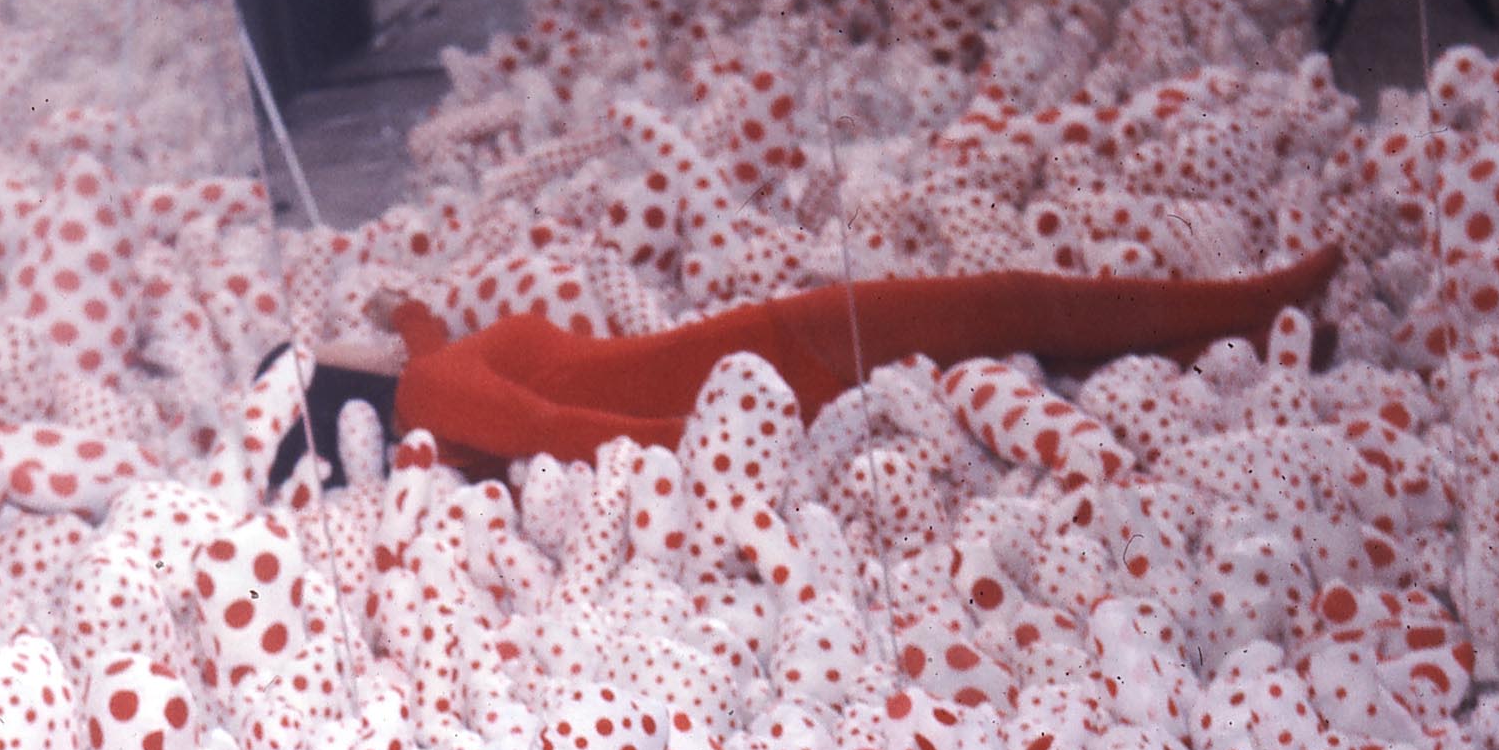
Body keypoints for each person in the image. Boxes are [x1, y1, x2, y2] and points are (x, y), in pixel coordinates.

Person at [267, 245, 1343, 485]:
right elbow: (557, 432)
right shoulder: (431, 392)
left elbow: (426, 335)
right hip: (764, 364)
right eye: (325, 347)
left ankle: (1258, 335)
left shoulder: (428, 371)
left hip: (749, 360)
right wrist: (721, 445)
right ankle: (1249, 304)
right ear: (338, 383)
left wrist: (402, 309)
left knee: (1024, 339)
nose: (344, 331)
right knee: (1012, 307)